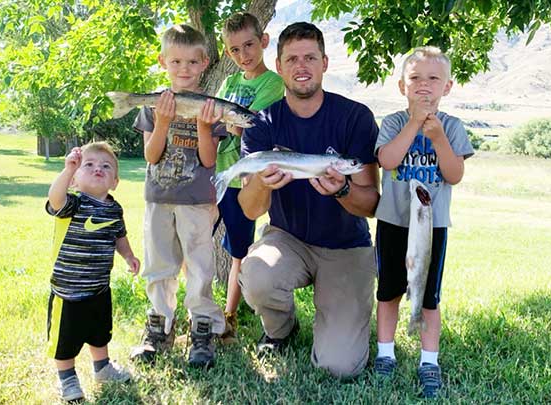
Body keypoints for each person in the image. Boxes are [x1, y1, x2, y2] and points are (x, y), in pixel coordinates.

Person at [237, 22, 380, 378]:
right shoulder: (262, 125)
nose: (302, 67)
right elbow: (251, 208)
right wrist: (263, 184)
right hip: (287, 238)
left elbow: (372, 204)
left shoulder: (355, 117)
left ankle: (334, 319)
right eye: (292, 59)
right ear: (280, 66)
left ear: (325, 63)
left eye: (310, 58)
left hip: (346, 245)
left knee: (339, 366)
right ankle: (281, 330)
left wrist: (343, 190)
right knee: (256, 275)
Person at [372, 46, 474, 398]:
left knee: (428, 295)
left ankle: (429, 361)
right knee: (388, 291)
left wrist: (437, 138)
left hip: (432, 228)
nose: (424, 86)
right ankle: (385, 353)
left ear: (447, 87)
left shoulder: (452, 127)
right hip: (393, 222)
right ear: (402, 86)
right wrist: (415, 123)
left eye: (434, 79)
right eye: (415, 78)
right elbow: (387, 160)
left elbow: (454, 174)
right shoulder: (393, 123)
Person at [131, 24, 226, 368]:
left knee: (200, 267)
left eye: (191, 62)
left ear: (204, 63)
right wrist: (162, 123)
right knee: (159, 263)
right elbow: (151, 155)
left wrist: (203, 127)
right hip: (158, 198)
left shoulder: (211, 107)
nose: (183, 69)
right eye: (176, 62)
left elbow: (209, 160)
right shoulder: (154, 104)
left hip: (198, 201)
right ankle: (160, 324)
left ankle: (203, 326)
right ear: (163, 62)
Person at [46, 142, 141, 402]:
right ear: (75, 179)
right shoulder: (72, 204)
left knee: (100, 333)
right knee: (65, 341)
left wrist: (129, 255)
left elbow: (119, 236)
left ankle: (103, 369)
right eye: (89, 165)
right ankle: (67, 379)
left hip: (99, 287)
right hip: (68, 290)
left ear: (115, 181)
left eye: (106, 166)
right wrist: (67, 170)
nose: (97, 168)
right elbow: (54, 198)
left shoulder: (114, 209)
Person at [214, 11, 285, 343]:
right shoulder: (229, 82)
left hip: (245, 180)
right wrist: (227, 121)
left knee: (239, 251)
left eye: (249, 45)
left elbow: (252, 123)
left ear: (264, 42)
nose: (243, 55)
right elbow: (220, 121)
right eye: (235, 50)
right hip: (217, 174)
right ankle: (201, 313)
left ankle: (230, 316)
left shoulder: (273, 83)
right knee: (195, 241)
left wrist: (229, 120)